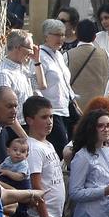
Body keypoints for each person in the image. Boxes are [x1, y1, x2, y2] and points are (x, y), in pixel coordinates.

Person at [21, 97, 67, 217]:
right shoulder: (32, 148)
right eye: (44, 117)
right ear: (30, 120)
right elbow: (36, 186)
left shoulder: (47, 143)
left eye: (51, 117)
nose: (49, 121)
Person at [0, 31, 40, 144]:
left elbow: (41, 85)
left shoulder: (22, 68)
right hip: (12, 132)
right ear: (18, 48)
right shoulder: (4, 74)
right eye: (30, 48)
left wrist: (37, 61)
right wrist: (26, 138)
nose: (32, 52)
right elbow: (4, 112)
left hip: (26, 126)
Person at [35, 19, 76, 153]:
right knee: (61, 148)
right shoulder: (39, 56)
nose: (61, 38)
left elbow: (65, 83)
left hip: (66, 107)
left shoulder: (59, 55)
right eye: (57, 35)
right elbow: (35, 85)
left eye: (63, 35)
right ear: (46, 36)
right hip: (52, 110)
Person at [66, 27, 109, 106]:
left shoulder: (68, 55)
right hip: (100, 106)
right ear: (95, 37)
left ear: (76, 35)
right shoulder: (105, 54)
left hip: (77, 108)